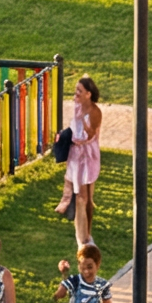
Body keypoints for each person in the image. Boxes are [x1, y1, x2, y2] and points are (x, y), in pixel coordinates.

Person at [55, 76, 102, 245]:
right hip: (76, 154)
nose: (76, 94)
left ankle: (86, 234)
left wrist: (82, 119)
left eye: (79, 91)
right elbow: (74, 127)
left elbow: (88, 136)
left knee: (85, 196)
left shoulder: (95, 112)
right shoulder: (77, 105)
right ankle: (80, 231)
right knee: (79, 193)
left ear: (88, 94)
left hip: (88, 156)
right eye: (76, 90)